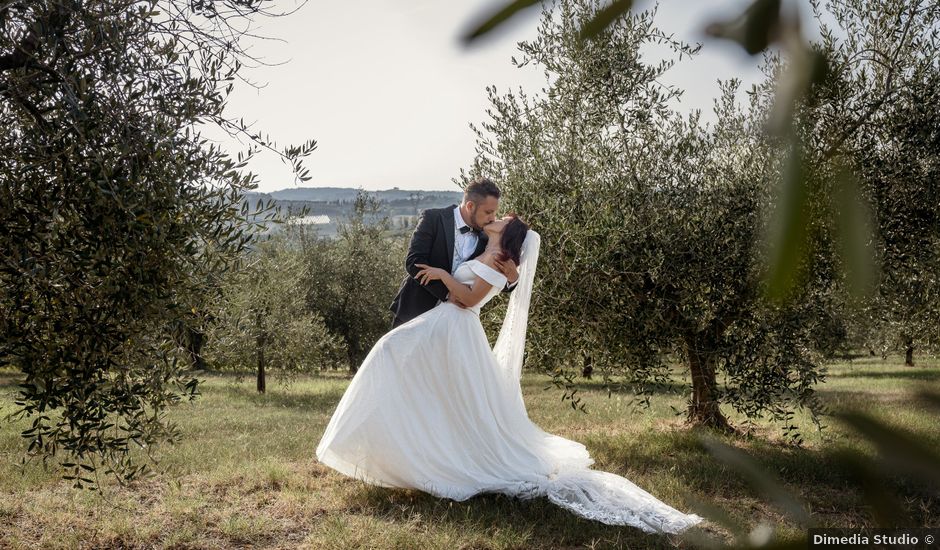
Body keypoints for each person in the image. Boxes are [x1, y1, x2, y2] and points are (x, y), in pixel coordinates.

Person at [316, 212, 704, 534]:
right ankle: (399, 443)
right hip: (444, 326)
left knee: (392, 355)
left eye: (501, 218)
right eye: (493, 214)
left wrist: (443, 276)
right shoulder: (491, 252)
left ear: (508, 233)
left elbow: (468, 300)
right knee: (408, 371)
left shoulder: (501, 262)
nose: (494, 218)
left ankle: (414, 451)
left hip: (455, 327)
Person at [388, 178, 518, 329]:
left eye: (495, 213)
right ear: (470, 206)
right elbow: (414, 263)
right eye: (488, 212)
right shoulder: (433, 218)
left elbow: (492, 279)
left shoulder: (488, 239)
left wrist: (513, 278)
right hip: (415, 313)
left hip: (454, 325)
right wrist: (447, 294)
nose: (493, 218)